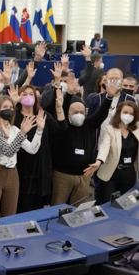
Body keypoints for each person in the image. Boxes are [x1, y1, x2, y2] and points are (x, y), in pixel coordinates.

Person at [50, 76, 115, 206]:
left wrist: (109, 97)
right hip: (62, 175)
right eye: (75, 112)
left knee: (77, 208)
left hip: (83, 176)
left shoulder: (89, 125)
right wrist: (68, 94)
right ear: (68, 113)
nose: (79, 114)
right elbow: (63, 108)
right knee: (57, 206)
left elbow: (101, 113)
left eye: (81, 112)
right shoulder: (62, 126)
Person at [14, 85, 67, 212]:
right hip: (23, 166)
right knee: (22, 205)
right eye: (24, 94)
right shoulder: (15, 117)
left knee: (38, 207)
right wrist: (13, 102)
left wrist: (59, 108)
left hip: (42, 165)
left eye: (31, 94)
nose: (28, 97)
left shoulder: (43, 115)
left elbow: (61, 129)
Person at [0, 95, 41, 219]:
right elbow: (8, 151)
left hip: (12, 172)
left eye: (11, 107)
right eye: (5, 107)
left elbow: (32, 149)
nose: (9, 110)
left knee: (10, 211)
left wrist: (39, 131)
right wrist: (22, 134)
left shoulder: (14, 129)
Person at [86, 102, 139, 204]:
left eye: (131, 114)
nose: (128, 116)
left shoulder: (137, 128)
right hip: (111, 173)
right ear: (119, 113)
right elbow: (104, 146)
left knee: (128, 204)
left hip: (129, 173)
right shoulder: (109, 129)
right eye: (125, 112)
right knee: (109, 203)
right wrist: (98, 162)